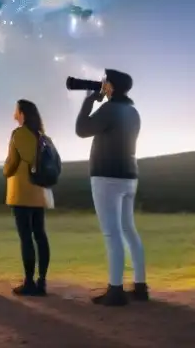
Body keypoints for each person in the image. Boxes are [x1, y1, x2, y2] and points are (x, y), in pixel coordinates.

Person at [75, 69, 148, 306]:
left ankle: (115, 290)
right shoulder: (132, 111)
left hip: (107, 176)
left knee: (112, 233)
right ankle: (140, 286)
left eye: (105, 83)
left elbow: (81, 130)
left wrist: (88, 101)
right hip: (129, 175)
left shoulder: (109, 109)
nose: (102, 85)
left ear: (112, 87)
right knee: (128, 229)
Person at [3, 99, 50, 296]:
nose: (14, 112)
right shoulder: (41, 136)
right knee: (40, 235)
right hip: (39, 192)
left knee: (26, 237)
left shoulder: (18, 134)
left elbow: (12, 164)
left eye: (16, 109)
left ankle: (29, 282)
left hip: (22, 192)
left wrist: (5, 171)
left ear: (22, 113)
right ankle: (41, 281)